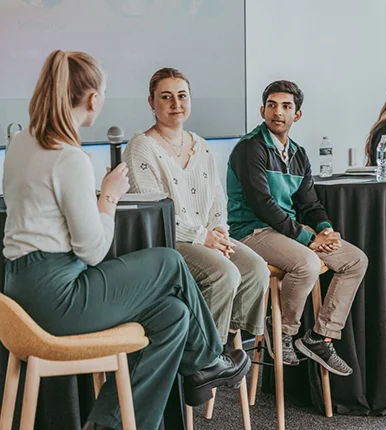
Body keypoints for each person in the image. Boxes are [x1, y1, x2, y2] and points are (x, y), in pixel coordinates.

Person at [2, 50, 250, 430]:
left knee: (173, 316)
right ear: (92, 99)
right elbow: (93, 251)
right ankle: (207, 362)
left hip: (19, 289)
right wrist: (109, 196)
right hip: (58, 298)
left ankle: (109, 424)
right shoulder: (69, 157)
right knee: (169, 261)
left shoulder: (21, 142)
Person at [227, 80, 368, 376]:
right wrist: (307, 238)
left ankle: (320, 337)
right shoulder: (249, 148)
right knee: (306, 263)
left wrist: (325, 229)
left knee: (355, 260)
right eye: (272, 105)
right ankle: (282, 331)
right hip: (252, 231)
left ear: (297, 114)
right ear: (262, 111)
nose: (278, 112)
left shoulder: (298, 154)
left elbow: (309, 202)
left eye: (286, 106)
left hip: (284, 231)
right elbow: (263, 204)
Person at [123, 68, 269, 348]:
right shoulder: (141, 147)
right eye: (166, 97)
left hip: (206, 236)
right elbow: (154, 213)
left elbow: (217, 199)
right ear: (151, 102)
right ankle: (204, 354)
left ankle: (226, 341)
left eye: (182, 96)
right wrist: (203, 237)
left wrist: (219, 231)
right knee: (223, 274)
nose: (176, 104)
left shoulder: (201, 146)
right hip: (169, 242)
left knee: (255, 268)